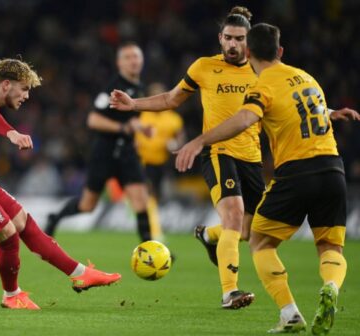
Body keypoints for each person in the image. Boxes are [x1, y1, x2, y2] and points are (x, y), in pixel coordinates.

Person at [174, 23, 360, 334]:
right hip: (334, 170)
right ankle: (331, 286)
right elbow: (300, 109)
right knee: (330, 246)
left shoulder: (263, 84)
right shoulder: (307, 77)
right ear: (281, 51)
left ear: (248, 52)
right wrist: (330, 113)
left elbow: (246, 118)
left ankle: (290, 314)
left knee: (258, 240)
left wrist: (200, 140)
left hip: (297, 173)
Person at [0, 58, 121, 310]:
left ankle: (80, 273)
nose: (26, 96)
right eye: (23, 89)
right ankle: (11, 295)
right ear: (5, 85)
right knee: (8, 235)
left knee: (22, 220)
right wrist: (12, 133)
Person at [111, 7, 260, 309]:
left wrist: (327, 112)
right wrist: (133, 104)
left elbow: (289, 100)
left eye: (239, 39)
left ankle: (209, 236)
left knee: (248, 230)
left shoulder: (263, 70)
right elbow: (170, 98)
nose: (233, 44)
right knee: (233, 214)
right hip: (219, 152)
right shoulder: (205, 67)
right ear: (220, 38)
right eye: (228, 38)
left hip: (253, 157)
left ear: (249, 41)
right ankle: (229, 292)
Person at [44, 42, 156, 244]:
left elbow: (129, 119)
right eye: (128, 57)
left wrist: (140, 127)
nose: (133, 61)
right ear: (119, 63)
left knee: (141, 200)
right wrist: (123, 129)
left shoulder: (139, 87)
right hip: (104, 153)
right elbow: (93, 120)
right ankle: (54, 218)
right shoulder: (113, 88)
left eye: (136, 56)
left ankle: (150, 249)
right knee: (88, 206)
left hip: (128, 153)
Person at [136, 82, 185, 241]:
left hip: (161, 163)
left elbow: (180, 138)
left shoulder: (173, 118)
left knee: (154, 197)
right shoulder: (141, 114)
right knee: (148, 195)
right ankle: (154, 232)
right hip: (142, 161)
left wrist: (174, 145)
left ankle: (150, 227)